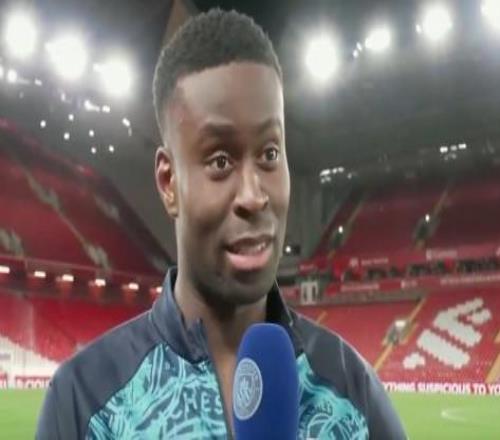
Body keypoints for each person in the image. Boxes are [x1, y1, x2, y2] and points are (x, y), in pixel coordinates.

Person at [37, 9, 406, 439]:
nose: (253, 195)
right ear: (169, 182)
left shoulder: (353, 394)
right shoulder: (85, 403)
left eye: (269, 154)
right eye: (219, 161)